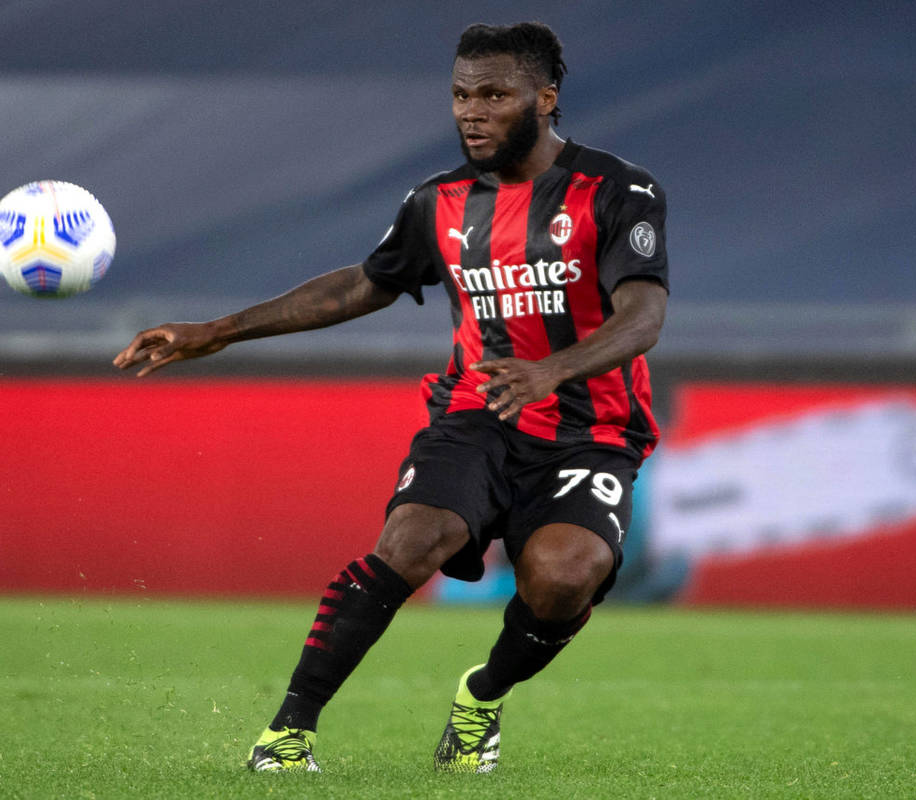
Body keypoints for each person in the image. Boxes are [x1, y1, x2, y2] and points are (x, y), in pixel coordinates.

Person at [114, 21, 669, 774]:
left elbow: (643, 318)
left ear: (545, 99)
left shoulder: (617, 190)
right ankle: (288, 735)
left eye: (494, 95)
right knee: (410, 541)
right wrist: (220, 330)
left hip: (591, 432)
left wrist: (552, 370)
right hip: (479, 413)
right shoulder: (439, 201)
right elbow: (362, 284)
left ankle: (481, 698)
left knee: (564, 578)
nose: (472, 112)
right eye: (461, 95)